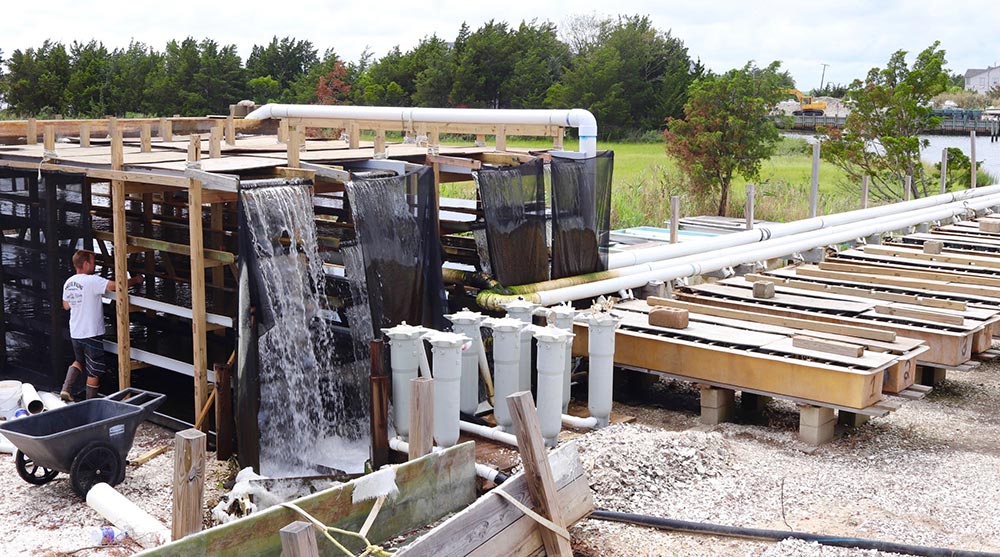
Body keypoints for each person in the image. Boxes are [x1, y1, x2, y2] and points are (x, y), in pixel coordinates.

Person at [60, 250, 143, 400]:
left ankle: (66, 388)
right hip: (91, 332)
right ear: (85, 264)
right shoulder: (92, 281)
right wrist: (135, 280)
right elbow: (117, 286)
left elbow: (66, 305)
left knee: (79, 361)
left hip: (75, 331)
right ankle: (90, 403)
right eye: (93, 262)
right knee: (95, 370)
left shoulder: (68, 282)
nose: (95, 265)